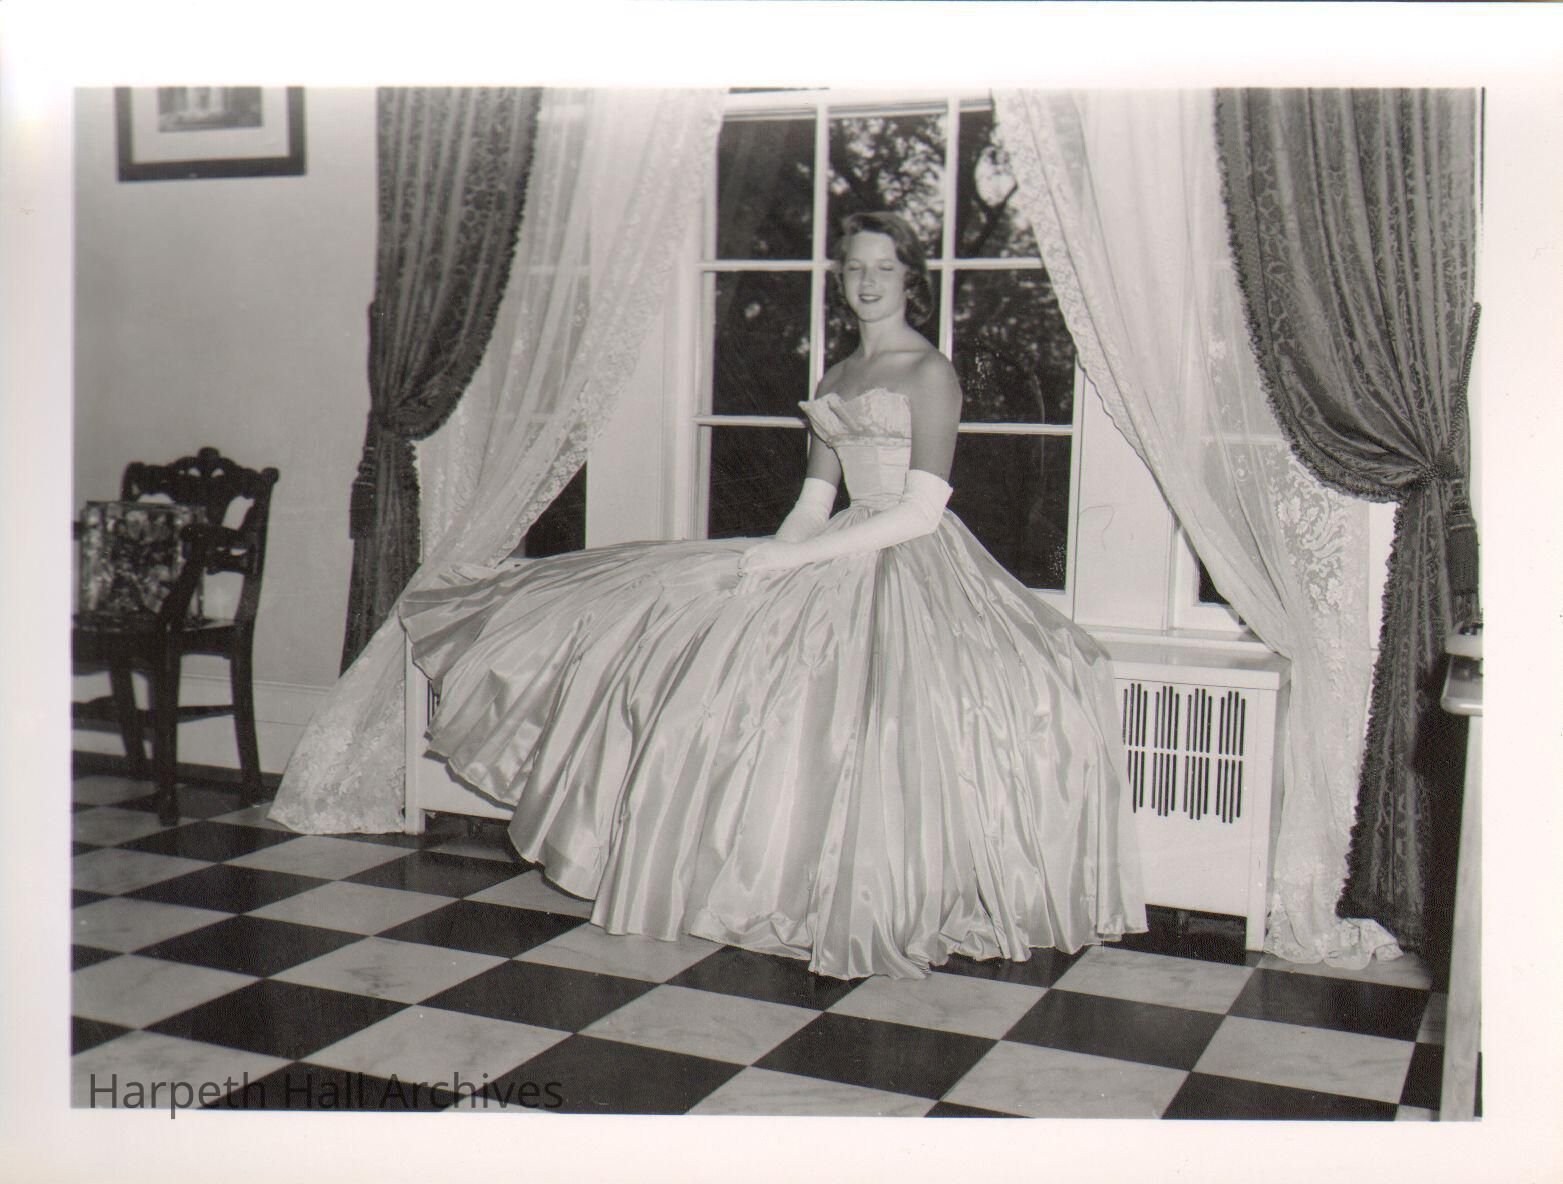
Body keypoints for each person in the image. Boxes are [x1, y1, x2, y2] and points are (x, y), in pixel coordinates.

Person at [399, 211, 1145, 980]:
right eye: (855, 267)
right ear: (840, 277)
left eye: (884, 267)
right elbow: (814, 501)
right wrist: (773, 560)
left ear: (910, 280)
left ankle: (873, 899)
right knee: (706, 663)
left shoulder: (930, 372)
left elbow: (921, 509)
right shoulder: (835, 377)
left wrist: (800, 558)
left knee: (881, 727)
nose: (867, 281)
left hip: (912, 557)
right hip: (835, 545)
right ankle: (757, 886)